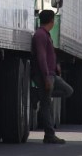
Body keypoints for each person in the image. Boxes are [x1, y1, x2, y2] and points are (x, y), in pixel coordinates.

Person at [31, 10, 73, 144]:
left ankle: (37, 94)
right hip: (46, 75)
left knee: (68, 90)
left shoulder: (45, 34)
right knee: (46, 105)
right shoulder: (40, 35)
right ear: (51, 21)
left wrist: (56, 66)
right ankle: (49, 134)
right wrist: (47, 76)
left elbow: (49, 55)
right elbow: (41, 57)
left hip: (52, 73)